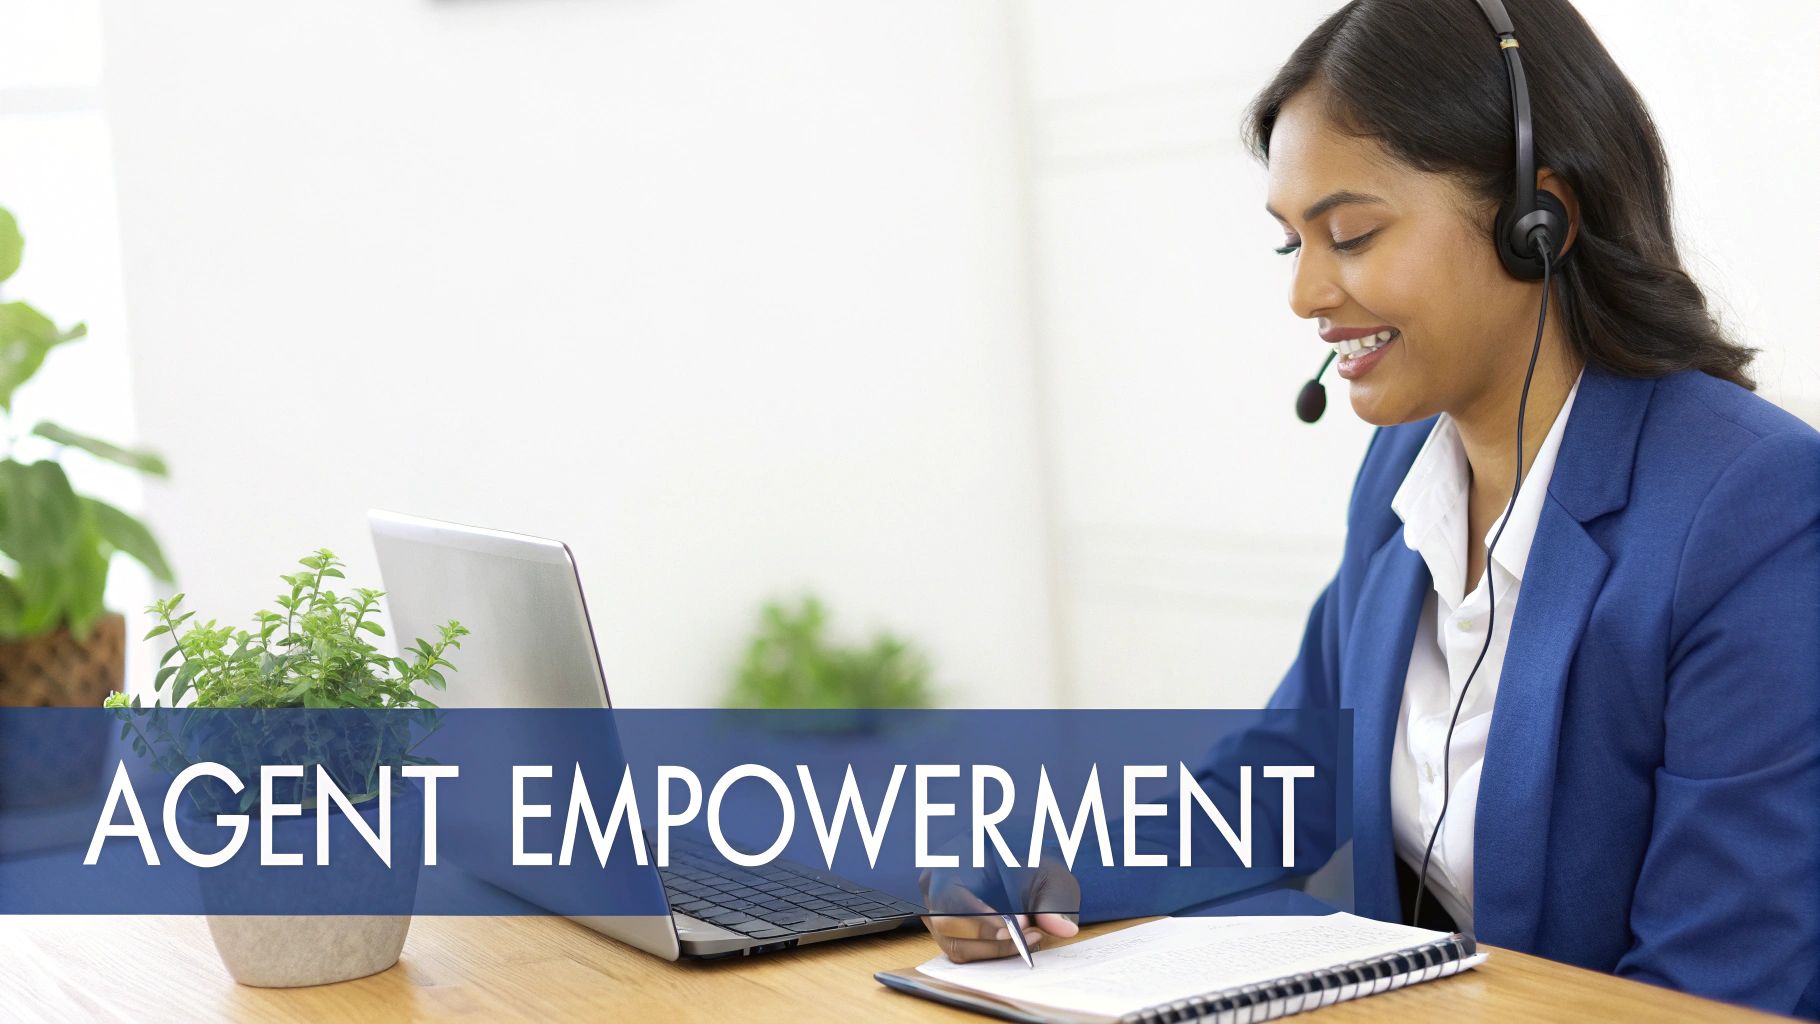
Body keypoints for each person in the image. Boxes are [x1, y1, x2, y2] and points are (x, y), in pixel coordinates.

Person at [922, 1, 1820, 1017]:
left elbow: (1718, 986)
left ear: (1537, 222)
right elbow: (1273, 788)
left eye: (1348, 233)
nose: (1305, 294)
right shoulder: (1403, 477)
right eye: (1289, 245)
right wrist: (1046, 874)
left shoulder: (1752, 506)